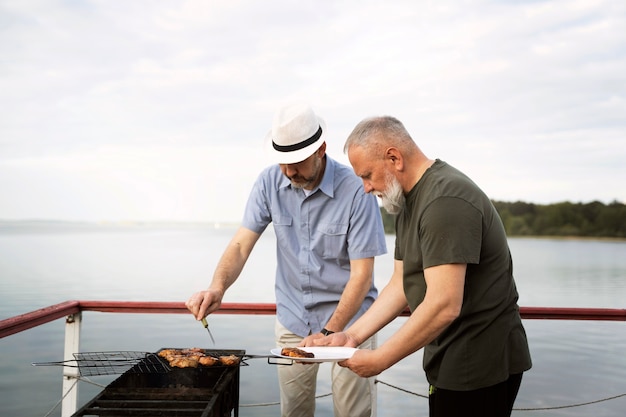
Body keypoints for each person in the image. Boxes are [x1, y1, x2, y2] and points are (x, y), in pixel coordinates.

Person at [315, 115, 532, 417]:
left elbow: (444, 304)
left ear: (394, 158)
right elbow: (401, 283)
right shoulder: (405, 199)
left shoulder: (445, 200)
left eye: (367, 175)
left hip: (479, 365)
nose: (365, 188)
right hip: (449, 358)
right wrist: (351, 337)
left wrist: (380, 359)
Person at [185, 103, 387, 417]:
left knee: (352, 413)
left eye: (297, 162)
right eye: (283, 162)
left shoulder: (357, 191)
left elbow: (362, 276)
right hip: (294, 319)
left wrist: (330, 333)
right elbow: (240, 245)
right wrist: (217, 288)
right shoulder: (268, 183)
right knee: (294, 412)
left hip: (351, 324)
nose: (289, 172)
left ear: (321, 149)